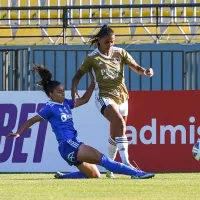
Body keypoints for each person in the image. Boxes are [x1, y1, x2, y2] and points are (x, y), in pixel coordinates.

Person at [7, 64, 155, 179]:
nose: (62, 93)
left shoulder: (65, 103)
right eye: (59, 92)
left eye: (63, 90)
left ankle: (63, 177)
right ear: (50, 94)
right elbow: (31, 120)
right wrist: (19, 133)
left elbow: (83, 100)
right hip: (69, 145)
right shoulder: (49, 108)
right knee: (103, 159)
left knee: (95, 175)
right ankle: (136, 173)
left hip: (67, 149)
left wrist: (93, 83)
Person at [71, 24, 154, 178]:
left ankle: (110, 168)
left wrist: (146, 71)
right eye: (107, 42)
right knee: (120, 124)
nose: (110, 45)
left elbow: (136, 67)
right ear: (100, 41)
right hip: (104, 96)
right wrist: (74, 88)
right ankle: (126, 164)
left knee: (116, 134)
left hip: (122, 96)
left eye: (112, 42)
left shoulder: (120, 53)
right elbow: (77, 76)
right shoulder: (92, 58)